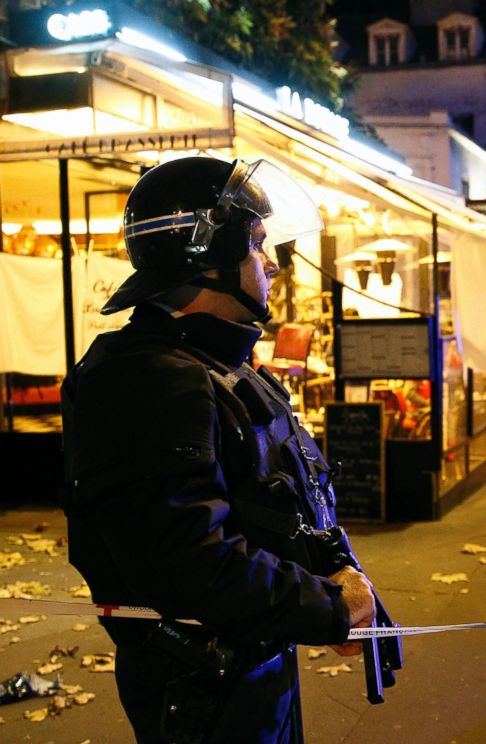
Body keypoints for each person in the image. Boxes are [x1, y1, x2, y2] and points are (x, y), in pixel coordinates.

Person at [60, 156, 380, 743]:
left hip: (251, 668)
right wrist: (326, 606)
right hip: (202, 690)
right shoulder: (145, 378)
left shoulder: (221, 367)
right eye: (258, 243)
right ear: (209, 253)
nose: (275, 265)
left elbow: (281, 500)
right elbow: (188, 559)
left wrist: (334, 571)